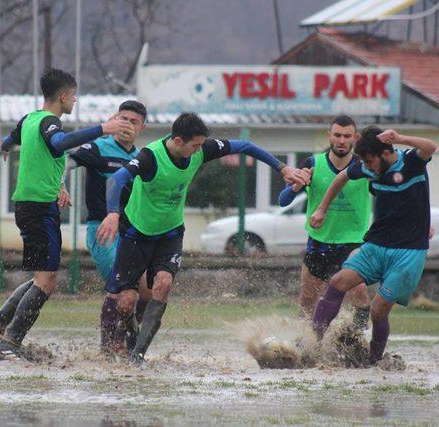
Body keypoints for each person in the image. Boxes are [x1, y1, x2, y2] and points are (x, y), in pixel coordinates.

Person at [96, 112, 311, 364]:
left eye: (201, 145)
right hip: (136, 233)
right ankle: (130, 340)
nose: (200, 150)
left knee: (162, 286)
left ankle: (138, 356)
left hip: (170, 233)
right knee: (126, 303)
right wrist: (112, 213)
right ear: (177, 141)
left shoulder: (199, 150)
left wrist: (282, 167)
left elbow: (245, 146)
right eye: (195, 145)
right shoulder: (150, 157)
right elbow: (115, 179)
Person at [0, 68, 134, 358]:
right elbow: (58, 143)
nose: (75, 101)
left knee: (41, 277)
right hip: (38, 208)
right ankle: (10, 342)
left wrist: (6, 149)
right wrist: (102, 128)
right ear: (63, 96)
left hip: (29, 205)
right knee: (47, 282)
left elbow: (9, 139)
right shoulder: (49, 123)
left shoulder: (29, 119)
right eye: (74, 95)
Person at [309, 126, 436, 365]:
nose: (367, 167)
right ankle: (311, 345)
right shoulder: (369, 167)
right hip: (376, 246)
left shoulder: (411, 162)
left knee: (378, 310)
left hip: (408, 253)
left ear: (386, 153)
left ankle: (375, 360)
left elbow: (430, 146)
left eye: (370, 161)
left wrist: (400, 138)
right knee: (337, 283)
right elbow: (343, 176)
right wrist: (322, 209)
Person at [64, 100, 151, 355]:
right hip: (102, 231)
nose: (127, 125)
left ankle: (128, 339)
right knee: (121, 286)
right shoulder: (98, 147)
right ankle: (108, 348)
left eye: (133, 122)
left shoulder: (141, 157)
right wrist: (60, 185)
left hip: (133, 234)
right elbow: (65, 161)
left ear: (142, 127)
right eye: (123, 119)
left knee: (146, 289)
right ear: (114, 119)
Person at [278, 115, 371, 328]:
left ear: (355, 138)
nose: (341, 140)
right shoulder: (312, 164)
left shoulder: (364, 166)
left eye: (347, 136)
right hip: (320, 240)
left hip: (354, 241)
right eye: (337, 135)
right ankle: (304, 342)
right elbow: (283, 201)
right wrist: (295, 186)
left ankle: (357, 336)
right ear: (328, 136)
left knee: (359, 290)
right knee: (307, 300)